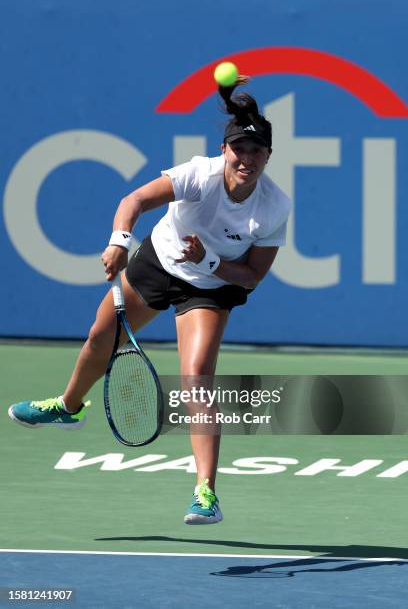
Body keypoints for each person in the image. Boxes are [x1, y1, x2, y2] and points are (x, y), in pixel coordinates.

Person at [8, 77, 292, 525]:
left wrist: (211, 261)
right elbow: (135, 199)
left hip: (210, 286)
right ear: (225, 151)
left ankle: (206, 492)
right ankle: (68, 407)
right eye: (240, 150)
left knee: (197, 376)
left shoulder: (274, 207)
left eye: (257, 152)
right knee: (101, 336)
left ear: (269, 157)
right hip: (158, 262)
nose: (247, 159)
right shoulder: (199, 173)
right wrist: (120, 241)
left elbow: (253, 275)